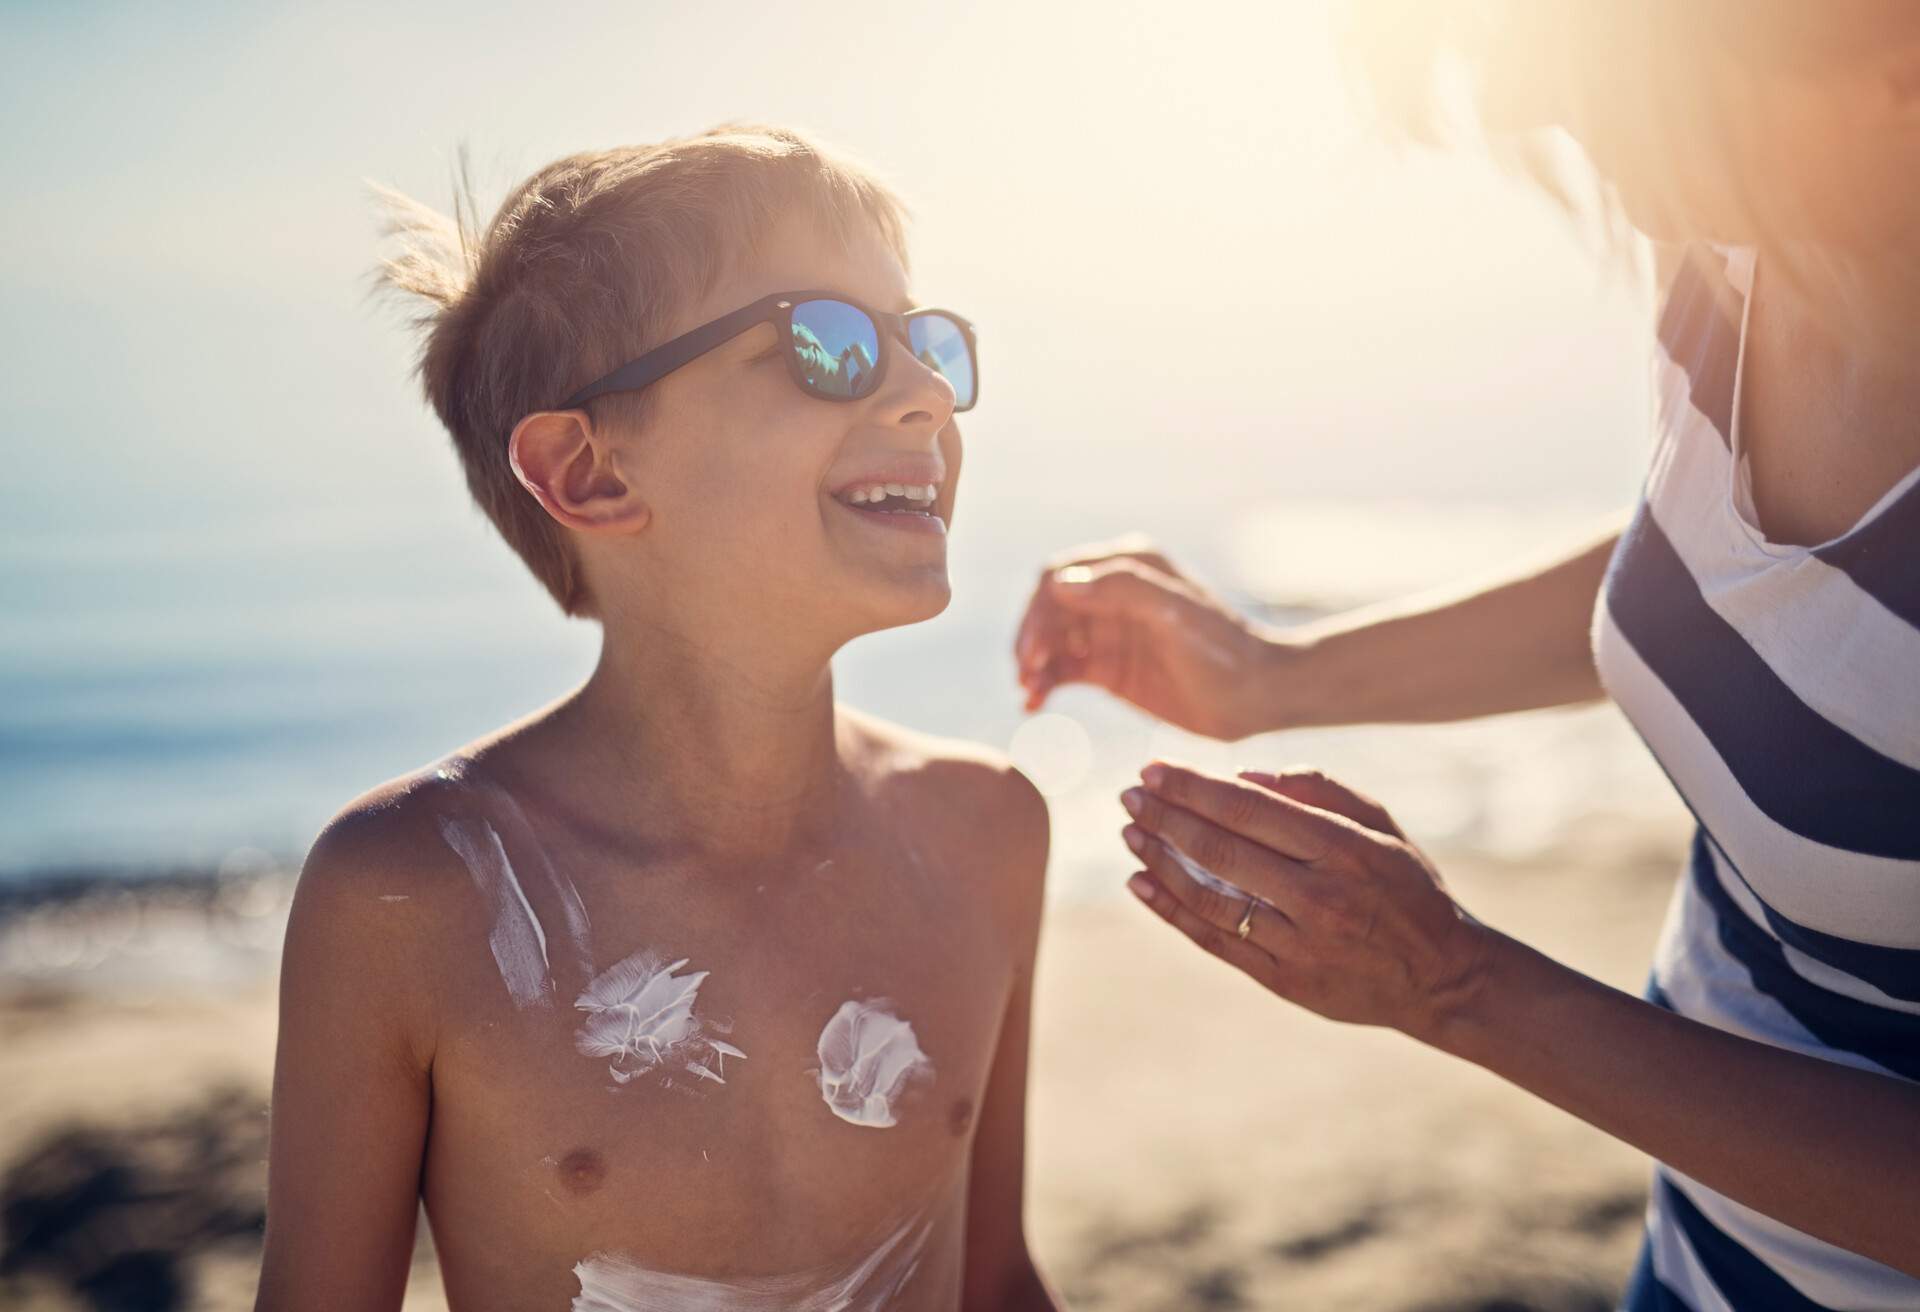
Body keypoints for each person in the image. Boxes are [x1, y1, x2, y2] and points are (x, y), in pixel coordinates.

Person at [1015, 3, 1920, 1307]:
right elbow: (1759, 596)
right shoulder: (1739, 259)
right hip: (1700, 1261)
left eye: (1635, 72)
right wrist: (1277, 679)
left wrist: (1459, 987)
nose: (1532, 119)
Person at [255, 124, 1060, 1311]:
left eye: (926, 340)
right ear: (591, 475)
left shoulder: (986, 830)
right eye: (825, 344)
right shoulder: (413, 894)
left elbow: (994, 1278)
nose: (930, 393)